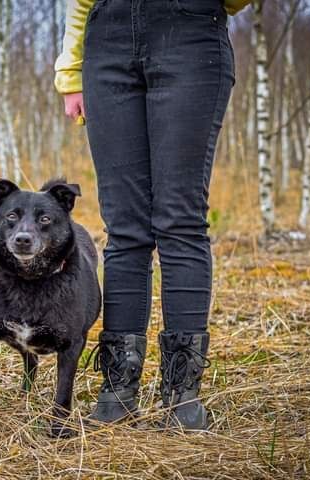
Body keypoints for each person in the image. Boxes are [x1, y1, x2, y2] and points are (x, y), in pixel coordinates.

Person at [55, 0, 250, 430]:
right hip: (107, 38)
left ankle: (182, 400)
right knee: (124, 228)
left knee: (180, 221)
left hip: (190, 33)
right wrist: (71, 71)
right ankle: (117, 393)